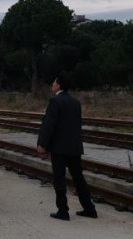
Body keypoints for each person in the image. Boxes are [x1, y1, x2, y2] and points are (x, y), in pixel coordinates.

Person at [37, 74, 98, 221]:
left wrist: (42, 144)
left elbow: (49, 125)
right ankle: (89, 208)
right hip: (74, 147)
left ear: (58, 86)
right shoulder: (75, 102)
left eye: (53, 83)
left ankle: (63, 211)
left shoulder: (54, 101)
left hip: (59, 149)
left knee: (59, 179)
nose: (52, 85)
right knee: (78, 178)